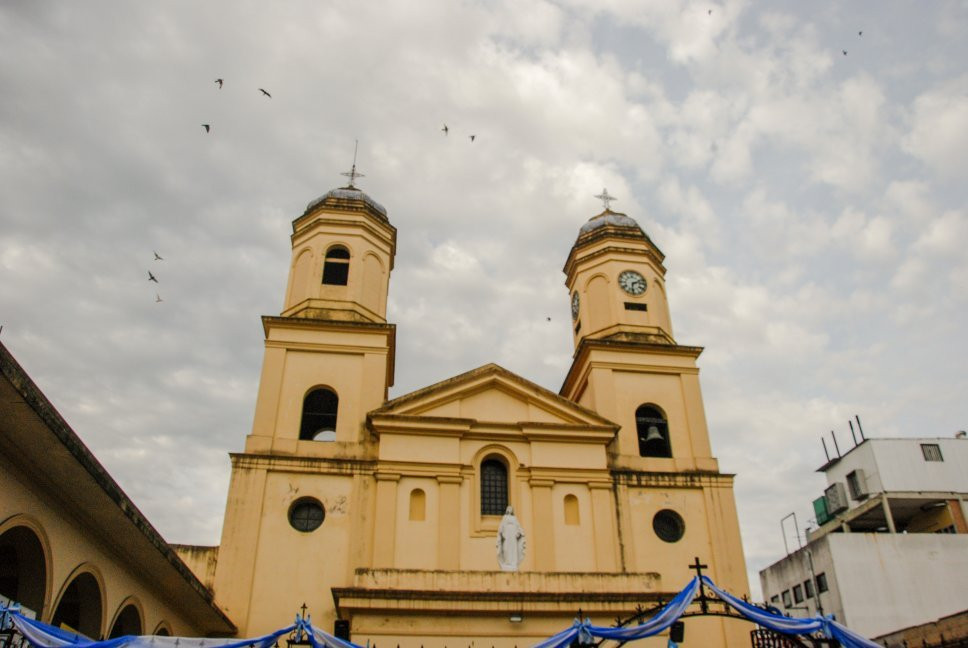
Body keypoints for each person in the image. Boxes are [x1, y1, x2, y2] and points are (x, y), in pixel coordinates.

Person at [496, 506, 526, 571]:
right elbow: (501, 526)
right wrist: (502, 533)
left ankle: (513, 563)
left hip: (513, 536)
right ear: (507, 510)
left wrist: (518, 533)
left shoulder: (514, 518)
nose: (510, 510)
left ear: (512, 511)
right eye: (509, 509)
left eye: (511, 509)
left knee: (513, 548)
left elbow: (518, 527)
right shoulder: (505, 517)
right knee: (506, 548)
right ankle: (507, 562)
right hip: (506, 535)